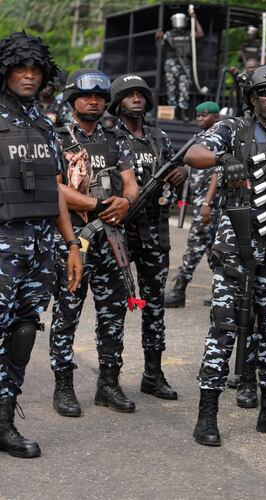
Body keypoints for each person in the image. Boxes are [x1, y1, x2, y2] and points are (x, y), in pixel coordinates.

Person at [184, 65, 266, 446]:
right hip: (238, 245)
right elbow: (194, 154)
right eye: (265, 93)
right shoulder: (232, 130)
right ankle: (207, 415)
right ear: (253, 99)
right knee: (224, 329)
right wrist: (224, 161)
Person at [0, 32, 83, 458]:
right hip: (2, 243)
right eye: (20, 68)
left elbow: (54, 189)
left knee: (24, 331)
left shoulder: (44, 124)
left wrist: (71, 245)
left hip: (40, 244)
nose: (29, 75)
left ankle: (4, 422)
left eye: (36, 69)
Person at [49, 69, 139, 417]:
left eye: (101, 97)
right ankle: (63, 386)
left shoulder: (115, 139)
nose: (94, 101)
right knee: (66, 314)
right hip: (73, 242)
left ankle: (108, 384)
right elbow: (56, 188)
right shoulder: (57, 138)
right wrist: (98, 205)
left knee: (113, 315)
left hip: (111, 241)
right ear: (73, 100)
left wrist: (125, 202)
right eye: (87, 96)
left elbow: (130, 184)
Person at [108, 74, 188, 400]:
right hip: (120, 233)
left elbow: (177, 176)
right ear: (118, 102)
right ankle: (110, 378)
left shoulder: (160, 138)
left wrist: (183, 174)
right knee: (114, 307)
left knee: (155, 306)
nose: (137, 98)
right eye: (130, 95)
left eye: (141, 94)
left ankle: (153, 375)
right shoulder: (109, 138)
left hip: (155, 231)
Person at [164, 101, 221, 308]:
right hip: (201, 202)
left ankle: (179, 291)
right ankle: (222, 293)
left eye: (205, 115)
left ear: (217, 117)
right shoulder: (199, 139)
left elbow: (217, 171)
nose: (200, 119)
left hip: (210, 204)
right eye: (197, 116)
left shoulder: (218, 139)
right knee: (214, 252)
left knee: (194, 247)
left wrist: (207, 202)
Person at [156, 10, 204, 122]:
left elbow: (200, 34)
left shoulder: (188, 33)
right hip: (171, 65)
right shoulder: (168, 34)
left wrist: (194, 18)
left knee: (184, 88)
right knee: (171, 88)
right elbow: (160, 47)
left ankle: (183, 112)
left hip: (184, 65)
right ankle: (173, 112)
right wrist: (158, 38)